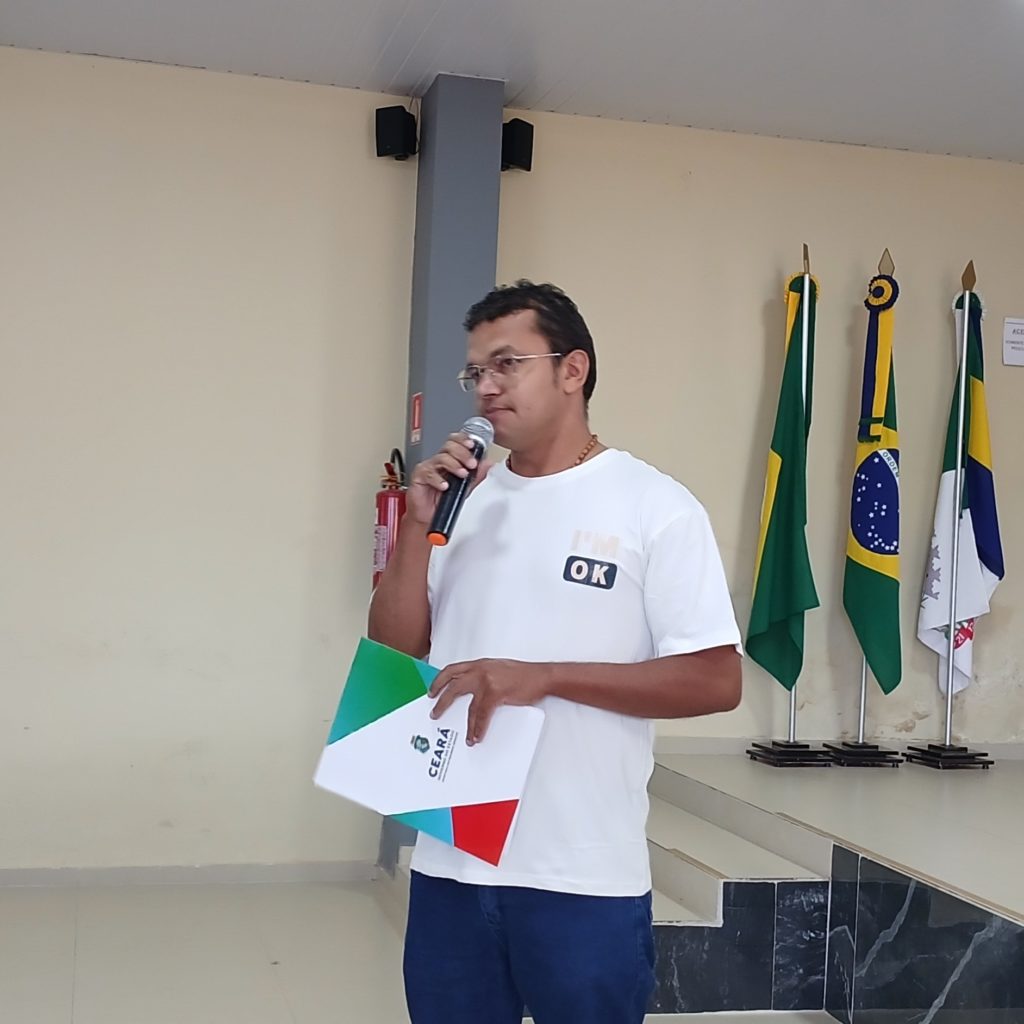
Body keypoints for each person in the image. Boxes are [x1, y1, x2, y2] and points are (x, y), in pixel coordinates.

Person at [368, 280, 742, 1024]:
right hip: (452, 856)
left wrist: (541, 676)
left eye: (508, 364)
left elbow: (716, 679)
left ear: (574, 370)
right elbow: (393, 650)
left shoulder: (654, 507)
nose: (487, 387)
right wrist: (414, 529)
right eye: (476, 371)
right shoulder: (464, 501)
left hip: (581, 874)